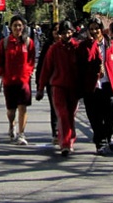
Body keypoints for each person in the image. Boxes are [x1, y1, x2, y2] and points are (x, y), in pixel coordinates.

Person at [79, 17, 113, 154]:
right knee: (94, 116)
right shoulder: (84, 45)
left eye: (96, 28)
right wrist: (93, 44)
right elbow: (85, 61)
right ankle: (100, 142)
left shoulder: (111, 44)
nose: (94, 31)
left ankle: (109, 136)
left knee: (110, 114)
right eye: (91, 29)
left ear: (102, 29)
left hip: (109, 84)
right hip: (92, 86)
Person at [36, 20, 81, 156]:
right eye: (63, 33)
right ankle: (65, 143)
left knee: (71, 115)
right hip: (58, 87)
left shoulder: (78, 47)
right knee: (62, 114)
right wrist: (41, 87)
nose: (66, 35)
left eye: (68, 32)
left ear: (72, 32)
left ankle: (69, 137)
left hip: (74, 88)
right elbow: (46, 69)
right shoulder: (54, 49)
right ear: (59, 34)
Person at [0, 14, 36, 145]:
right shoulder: (5, 43)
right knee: (11, 110)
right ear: (10, 27)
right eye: (15, 25)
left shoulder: (29, 42)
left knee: (22, 108)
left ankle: (21, 134)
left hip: (24, 81)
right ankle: (11, 125)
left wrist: (28, 72)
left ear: (23, 27)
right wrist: (3, 74)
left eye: (19, 25)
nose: (17, 28)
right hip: (9, 81)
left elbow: (31, 60)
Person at [34, 23, 59, 144]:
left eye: (60, 31)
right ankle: (56, 132)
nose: (57, 33)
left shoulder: (71, 45)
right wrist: (39, 84)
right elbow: (41, 66)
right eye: (55, 30)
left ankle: (66, 131)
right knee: (55, 107)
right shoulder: (48, 46)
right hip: (52, 82)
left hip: (68, 82)